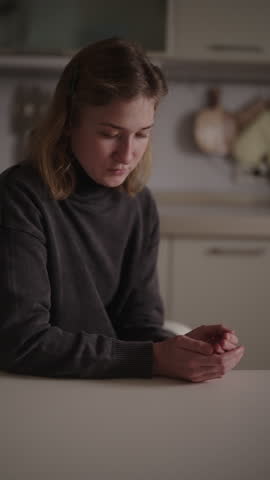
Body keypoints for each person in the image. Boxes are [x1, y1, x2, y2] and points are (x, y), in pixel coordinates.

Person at [0, 37, 244, 382]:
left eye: (142, 134)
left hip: (109, 386)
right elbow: (21, 342)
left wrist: (185, 348)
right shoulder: (20, 197)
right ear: (69, 122)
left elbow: (138, 326)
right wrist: (156, 357)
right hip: (38, 390)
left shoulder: (139, 204)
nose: (127, 154)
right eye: (110, 133)